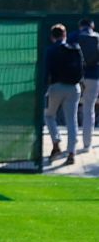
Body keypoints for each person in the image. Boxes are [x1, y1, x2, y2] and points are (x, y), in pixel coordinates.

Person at [44, 24, 83, 165]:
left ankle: (56, 142)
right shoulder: (75, 48)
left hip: (56, 86)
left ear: (52, 37)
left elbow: (46, 71)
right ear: (65, 35)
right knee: (71, 121)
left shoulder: (51, 50)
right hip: (74, 87)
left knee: (49, 115)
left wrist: (44, 89)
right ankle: (71, 152)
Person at [75, 17, 99, 155]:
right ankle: (87, 144)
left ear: (80, 26)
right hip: (94, 76)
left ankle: (72, 143)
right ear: (92, 26)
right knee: (89, 109)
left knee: (72, 109)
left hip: (76, 77)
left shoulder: (75, 36)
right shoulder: (97, 37)